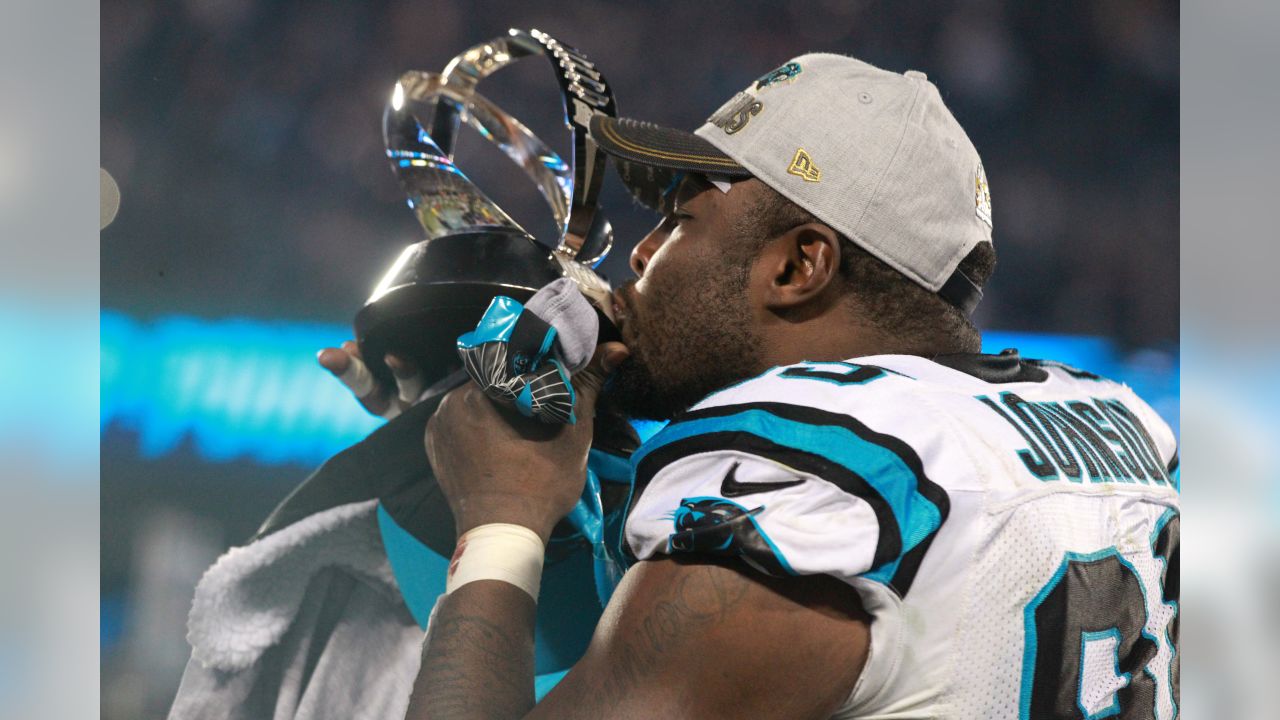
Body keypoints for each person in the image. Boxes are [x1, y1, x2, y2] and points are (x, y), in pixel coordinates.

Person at [405, 53, 1180, 719]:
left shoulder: (812, 468)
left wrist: (500, 518)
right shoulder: (1122, 426)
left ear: (796, 266)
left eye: (681, 219)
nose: (640, 254)